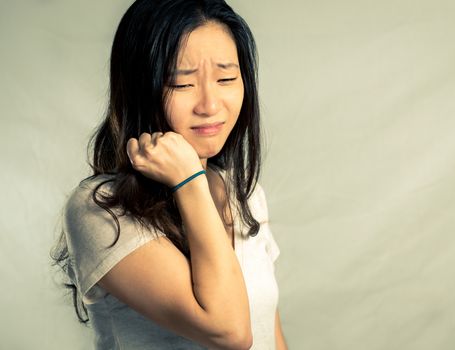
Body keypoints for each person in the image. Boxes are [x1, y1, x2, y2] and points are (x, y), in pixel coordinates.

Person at [50, 0, 288, 349]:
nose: (209, 105)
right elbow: (230, 331)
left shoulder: (244, 194)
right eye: (181, 84)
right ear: (139, 89)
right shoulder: (100, 209)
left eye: (226, 79)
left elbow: (270, 335)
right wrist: (189, 181)